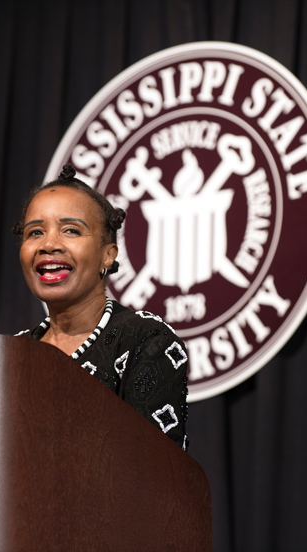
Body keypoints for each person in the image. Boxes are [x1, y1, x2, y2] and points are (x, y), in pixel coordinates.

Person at [13, 164, 189, 450]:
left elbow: (157, 476)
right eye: (35, 233)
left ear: (108, 256)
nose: (49, 244)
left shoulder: (144, 341)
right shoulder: (13, 353)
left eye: (71, 230)